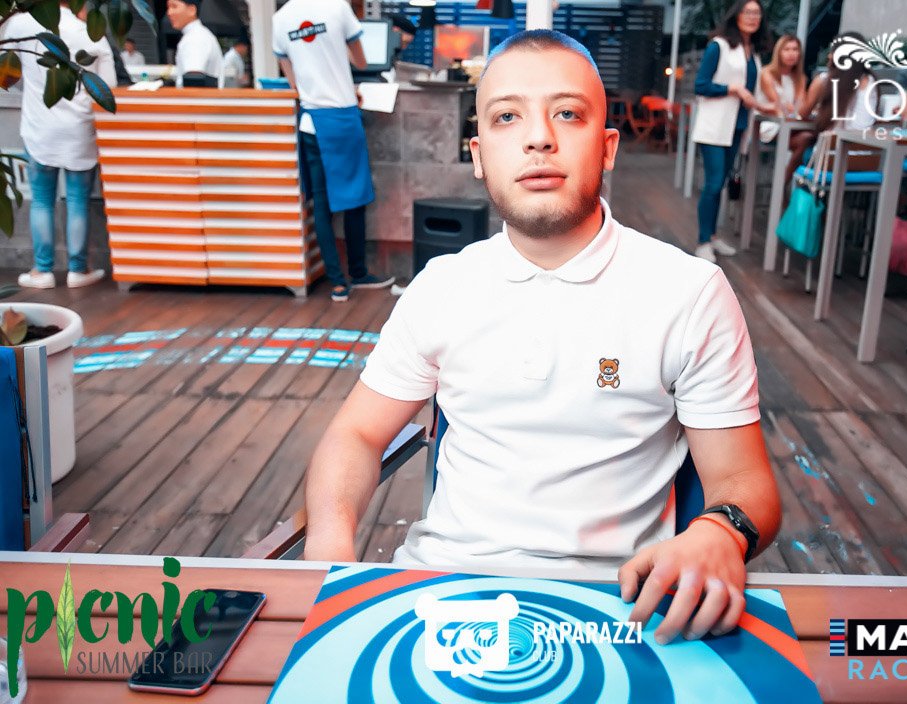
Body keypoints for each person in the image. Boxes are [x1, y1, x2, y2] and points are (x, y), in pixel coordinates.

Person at [304, 30, 781, 643]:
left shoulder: (688, 293)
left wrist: (720, 532)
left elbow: (745, 482)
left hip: (620, 608)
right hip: (439, 596)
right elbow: (356, 434)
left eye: (568, 114)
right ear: (479, 154)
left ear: (607, 147)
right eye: (507, 117)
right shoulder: (442, 286)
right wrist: (330, 551)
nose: (538, 138)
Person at [273, 0, 394, 301]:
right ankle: (359, 273)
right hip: (341, 119)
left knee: (322, 204)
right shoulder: (337, 7)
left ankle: (338, 284)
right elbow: (362, 62)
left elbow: (292, 81)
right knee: (355, 198)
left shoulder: (280, 18)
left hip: (311, 122)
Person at [2, 1, 116, 289]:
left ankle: (43, 271)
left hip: (39, 127)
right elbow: (108, 87)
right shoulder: (90, 33)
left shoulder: (20, 25)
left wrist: (31, 84)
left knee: (42, 200)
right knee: (77, 199)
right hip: (80, 129)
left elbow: (8, 73)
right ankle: (78, 270)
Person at [690, 0, 770, 263]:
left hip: (738, 126)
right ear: (736, 15)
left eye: (757, 13)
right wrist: (732, 89)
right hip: (715, 126)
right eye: (748, 12)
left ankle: (712, 236)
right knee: (713, 184)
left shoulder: (753, 53)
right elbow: (701, 85)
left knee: (721, 184)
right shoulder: (719, 46)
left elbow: (752, 91)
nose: (753, 17)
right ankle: (703, 242)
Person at [788, 34, 877, 183]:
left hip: (830, 160)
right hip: (867, 161)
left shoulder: (824, 80)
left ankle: (782, 190)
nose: (829, 55)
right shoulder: (871, 82)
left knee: (804, 147)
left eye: (832, 51)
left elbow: (801, 114)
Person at [167, 0, 225, 88]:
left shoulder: (195, 38)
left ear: (192, 10)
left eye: (174, 6)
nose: (169, 12)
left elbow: (194, 81)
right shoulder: (199, 34)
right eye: (168, 7)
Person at [759, 34, 806, 120]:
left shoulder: (800, 78)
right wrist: (790, 109)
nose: (791, 54)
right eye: (786, 49)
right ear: (779, 52)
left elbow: (800, 105)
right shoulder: (766, 73)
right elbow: (776, 103)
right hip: (768, 120)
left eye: (795, 49)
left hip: (790, 120)